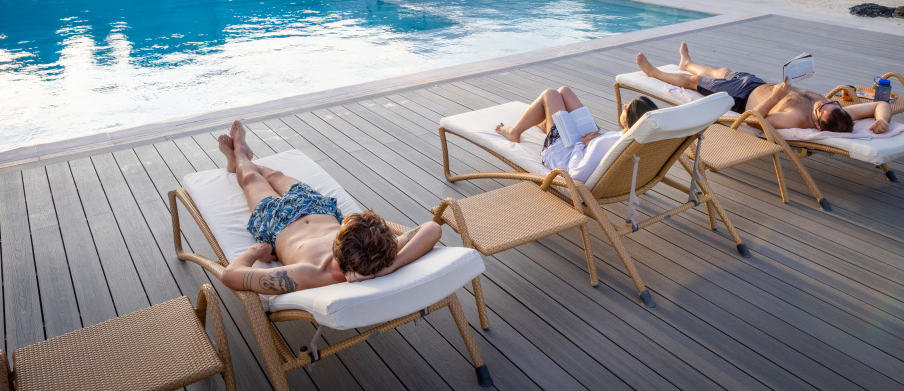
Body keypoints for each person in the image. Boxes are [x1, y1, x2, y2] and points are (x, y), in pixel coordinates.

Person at [219, 121, 441, 294]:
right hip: (317, 207)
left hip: (275, 222)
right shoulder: (378, 257)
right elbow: (432, 228)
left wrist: (255, 252)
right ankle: (240, 161)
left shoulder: (309, 273)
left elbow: (231, 276)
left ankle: (239, 154)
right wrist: (390, 267)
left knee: (250, 178)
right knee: (274, 175)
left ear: (338, 242)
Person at [635, 42, 891, 134]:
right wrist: (883, 122)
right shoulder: (842, 115)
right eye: (827, 103)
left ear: (816, 125)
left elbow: (757, 122)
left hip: (741, 97)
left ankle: (654, 72)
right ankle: (687, 62)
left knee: (695, 83)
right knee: (720, 71)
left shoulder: (795, 119)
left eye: (820, 109)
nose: (820, 103)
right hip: (758, 83)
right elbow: (881, 104)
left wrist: (777, 97)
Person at [495, 86, 659, 183]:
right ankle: (547, 123)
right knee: (564, 92)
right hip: (591, 141)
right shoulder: (639, 138)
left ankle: (514, 132)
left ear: (630, 121)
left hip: (564, 153)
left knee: (550, 94)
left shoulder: (604, 145)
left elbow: (576, 175)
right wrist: (594, 140)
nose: (624, 106)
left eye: (626, 108)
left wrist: (581, 145)